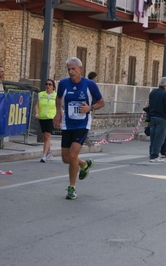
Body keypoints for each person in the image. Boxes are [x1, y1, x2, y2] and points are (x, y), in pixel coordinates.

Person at [53, 57, 105, 200]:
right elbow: (58, 98)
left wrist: (90, 107)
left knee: (72, 155)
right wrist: (58, 112)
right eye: (69, 69)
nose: (71, 72)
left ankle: (72, 187)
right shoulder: (63, 83)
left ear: (80, 69)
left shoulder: (89, 85)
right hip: (68, 124)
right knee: (65, 158)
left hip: (82, 124)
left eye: (73, 69)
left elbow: (102, 102)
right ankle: (84, 164)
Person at [148, 77, 166, 162]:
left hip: (153, 117)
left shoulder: (153, 92)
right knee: (159, 138)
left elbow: (150, 105)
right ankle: (154, 156)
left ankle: (151, 152)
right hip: (162, 118)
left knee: (153, 137)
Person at [35, 79, 57, 163]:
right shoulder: (41, 94)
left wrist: (59, 117)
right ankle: (49, 152)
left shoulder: (56, 96)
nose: (48, 86)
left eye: (50, 84)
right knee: (45, 137)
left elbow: (58, 107)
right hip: (42, 117)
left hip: (51, 117)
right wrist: (37, 113)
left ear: (53, 87)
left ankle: (44, 155)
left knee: (47, 136)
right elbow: (37, 105)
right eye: (46, 84)